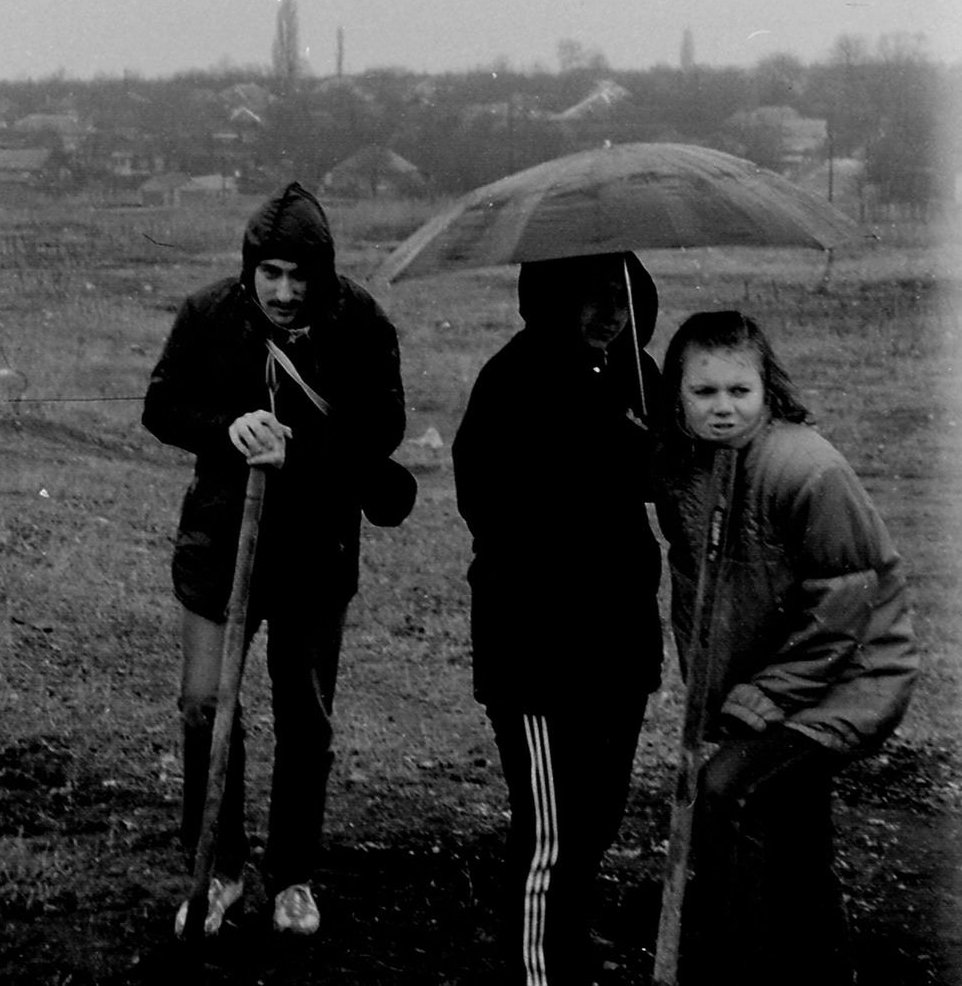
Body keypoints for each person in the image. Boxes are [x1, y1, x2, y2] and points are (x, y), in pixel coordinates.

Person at [142, 182, 407, 939]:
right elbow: (161, 406)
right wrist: (227, 428)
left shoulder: (362, 322)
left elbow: (383, 427)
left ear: (323, 272)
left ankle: (293, 875)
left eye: (300, 276)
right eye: (271, 274)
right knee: (204, 706)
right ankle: (218, 869)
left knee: (305, 714)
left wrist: (301, 449)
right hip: (219, 543)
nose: (285, 293)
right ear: (250, 267)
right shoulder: (207, 314)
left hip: (316, 549)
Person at [650, 310, 918, 986]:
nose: (723, 407)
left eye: (739, 391)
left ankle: (738, 973)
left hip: (848, 675)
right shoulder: (686, 469)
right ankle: (821, 970)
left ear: (767, 388)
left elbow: (846, 604)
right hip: (776, 683)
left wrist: (763, 694)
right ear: (676, 394)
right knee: (795, 831)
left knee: (728, 791)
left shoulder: (806, 467)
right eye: (703, 391)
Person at [452, 252, 664, 986]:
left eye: (623, 298)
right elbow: (484, 498)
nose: (610, 314)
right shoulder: (511, 379)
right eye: (593, 297)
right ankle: (535, 969)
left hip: (619, 636)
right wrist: (577, 477)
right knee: (552, 821)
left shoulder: (637, 374)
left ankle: (565, 934)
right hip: (536, 645)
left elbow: (663, 473)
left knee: (600, 811)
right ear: (555, 297)